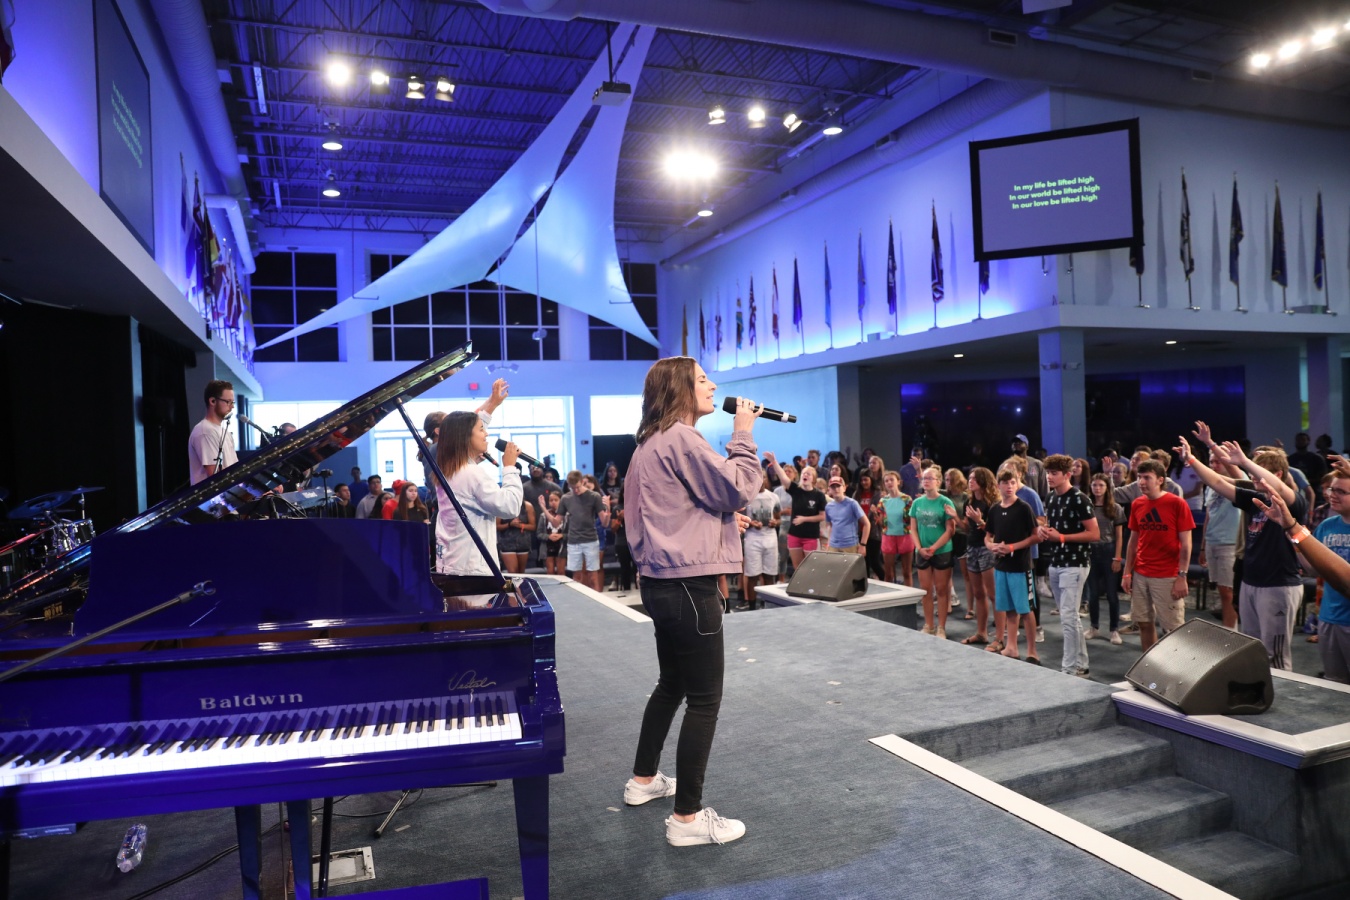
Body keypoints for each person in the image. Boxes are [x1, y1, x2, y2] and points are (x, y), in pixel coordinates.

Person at [623, 357, 762, 847]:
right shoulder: (683, 438)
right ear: (680, 388)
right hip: (689, 587)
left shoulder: (648, 444)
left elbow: (670, 515)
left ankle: (644, 780)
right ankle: (687, 819)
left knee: (673, 684)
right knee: (704, 699)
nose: (713, 386)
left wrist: (718, 524)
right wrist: (743, 434)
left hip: (660, 583)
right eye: (702, 379)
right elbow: (737, 488)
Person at [1179, 436, 1305, 670]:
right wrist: (1192, 460)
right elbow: (1217, 482)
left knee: (1275, 657)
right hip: (1251, 583)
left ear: (1277, 475)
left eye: (1259, 472)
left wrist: (1246, 462)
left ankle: (1280, 691)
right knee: (1252, 649)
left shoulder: (1292, 502)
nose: (1253, 477)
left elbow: (1279, 488)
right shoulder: (1255, 499)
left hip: (1278, 585)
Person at [1265, 461, 1350, 683]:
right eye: (1332, 489)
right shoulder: (1327, 525)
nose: (1333, 495)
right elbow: (1313, 570)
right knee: (1335, 683)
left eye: (1341, 491)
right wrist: (1292, 535)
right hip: (1330, 617)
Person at [432, 384, 520, 577]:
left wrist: (492, 404)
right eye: (481, 429)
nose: (486, 433)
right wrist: (510, 468)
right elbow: (510, 507)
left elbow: (468, 428)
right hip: (473, 571)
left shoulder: (448, 469)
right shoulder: (471, 474)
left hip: (453, 565)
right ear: (465, 438)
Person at [1120, 459, 1194, 654]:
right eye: (1139, 477)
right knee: (1144, 623)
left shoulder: (1176, 503)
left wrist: (1182, 576)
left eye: (1147, 478)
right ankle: (1150, 665)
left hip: (1167, 575)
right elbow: (1133, 541)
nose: (1141, 482)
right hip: (1141, 574)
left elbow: (1186, 544)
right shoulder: (1137, 504)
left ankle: (1178, 668)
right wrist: (1127, 572)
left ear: (1160, 480)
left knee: (1174, 629)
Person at [1039, 454, 1100, 677]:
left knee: (1067, 618)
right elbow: (1051, 526)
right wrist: (1043, 531)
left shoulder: (1079, 499)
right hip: (1056, 562)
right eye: (1048, 473)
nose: (1049, 477)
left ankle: (1068, 669)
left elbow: (1094, 534)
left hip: (1075, 564)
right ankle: (1081, 664)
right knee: (1070, 617)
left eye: (1054, 473)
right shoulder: (1051, 497)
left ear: (1067, 475)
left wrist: (1062, 537)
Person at [985, 468, 1041, 663]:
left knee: (1025, 610)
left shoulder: (1024, 508)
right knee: (1009, 609)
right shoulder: (994, 509)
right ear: (998, 486)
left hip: (1020, 567)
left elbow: (1036, 536)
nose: (1009, 486)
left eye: (1013, 483)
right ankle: (1011, 647)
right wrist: (991, 546)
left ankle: (1032, 651)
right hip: (1001, 567)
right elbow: (988, 536)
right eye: (1005, 483)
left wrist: (1012, 547)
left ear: (1017, 484)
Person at [910, 467, 956, 638]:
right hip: (922, 551)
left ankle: (941, 627)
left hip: (941, 550)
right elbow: (913, 528)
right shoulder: (917, 503)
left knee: (942, 590)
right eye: (924, 478)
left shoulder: (945, 502)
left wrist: (934, 548)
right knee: (925, 589)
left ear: (938, 481)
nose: (926, 481)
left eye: (930, 478)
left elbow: (950, 530)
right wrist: (919, 548)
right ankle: (929, 624)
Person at [543, 471, 608, 592]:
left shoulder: (594, 496)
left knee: (593, 576)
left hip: (590, 540)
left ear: (582, 482)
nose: (576, 490)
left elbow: (605, 523)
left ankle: (596, 601)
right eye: (573, 488)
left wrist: (608, 509)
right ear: (568, 485)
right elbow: (556, 522)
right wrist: (543, 508)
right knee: (576, 577)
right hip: (574, 542)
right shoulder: (566, 498)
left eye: (578, 487)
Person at [1084, 474, 1125, 644]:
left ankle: (1114, 629)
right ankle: (1094, 627)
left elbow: (1119, 536)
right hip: (1091, 550)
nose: (1097, 488)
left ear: (1107, 487)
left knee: (1111, 594)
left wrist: (1117, 558)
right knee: (1092, 593)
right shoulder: (1087, 507)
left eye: (1101, 485)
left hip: (1108, 550)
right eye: (1094, 485)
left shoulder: (1115, 508)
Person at [767, 453, 824, 569]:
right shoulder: (796, 490)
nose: (805, 475)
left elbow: (822, 516)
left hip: (811, 536)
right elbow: (783, 477)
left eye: (808, 474)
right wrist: (774, 462)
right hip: (794, 535)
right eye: (803, 473)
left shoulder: (819, 495)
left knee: (811, 567)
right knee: (797, 567)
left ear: (813, 479)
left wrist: (804, 519)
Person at [960, 467, 997, 645]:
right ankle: (982, 633)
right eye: (970, 478)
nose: (970, 481)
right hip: (972, 547)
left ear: (983, 481)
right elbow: (967, 528)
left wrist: (979, 521)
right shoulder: (969, 501)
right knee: (978, 593)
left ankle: (1001, 635)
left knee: (993, 594)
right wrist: (956, 519)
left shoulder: (993, 504)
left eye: (974, 478)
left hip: (987, 548)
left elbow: (995, 531)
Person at [740, 474, 780, 609]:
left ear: (767, 479)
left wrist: (775, 522)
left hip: (770, 538)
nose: (761, 479)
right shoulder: (747, 497)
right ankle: (752, 608)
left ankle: (768, 605)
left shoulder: (774, 497)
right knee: (752, 575)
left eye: (764, 477)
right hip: (753, 539)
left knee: (769, 575)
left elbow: (778, 518)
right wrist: (751, 523)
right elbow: (740, 518)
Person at [188, 380, 238, 484]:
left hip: (231, 492)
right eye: (228, 402)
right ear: (213, 401)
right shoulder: (205, 431)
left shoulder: (225, 432)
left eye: (233, 402)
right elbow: (216, 477)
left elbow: (236, 470)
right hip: (216, 495)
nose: (232, 406)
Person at [879, 471, 915, 587]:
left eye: (892, 480)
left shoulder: (907, 499)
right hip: (888, 537)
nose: (889, 482)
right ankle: (889, 596)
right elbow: (881, 522)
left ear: (898, 482)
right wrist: (876, 515)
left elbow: (911, 519)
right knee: (888, 574)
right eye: (886, 481)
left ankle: (909, 596)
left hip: (905, 536)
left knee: (907, 572)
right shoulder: (883, 501)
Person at [823, 476, 868, 555]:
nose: (836, 489)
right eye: (833, 487)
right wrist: (829, 543)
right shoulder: (828, 506)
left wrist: (863, 545)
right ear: (829, 490)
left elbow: (867, 524)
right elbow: (831, 526)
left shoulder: (852, 503)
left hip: (850, 545)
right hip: (833, 546)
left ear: (844, 488)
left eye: (838, 486)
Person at [497, 494, 536, 574]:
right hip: (507, 544)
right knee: (513, 572)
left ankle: (520, 583)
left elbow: (533, 526)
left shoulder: (527, 506)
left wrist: (520, 525)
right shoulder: (501, 506)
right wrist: (509, 524)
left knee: (521, 573)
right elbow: (497, 526)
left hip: (523, 543)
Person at [542, 490, 565, 575]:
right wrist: (548, 536)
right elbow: (539, 533)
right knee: (550, 572)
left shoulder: (567, 515)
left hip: (561, 546)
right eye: (551, 500)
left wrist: (561, 535)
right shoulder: (543, 516)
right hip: (548, 546)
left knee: (561, 572)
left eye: (556, 500)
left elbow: (571, 533)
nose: (553, 502)